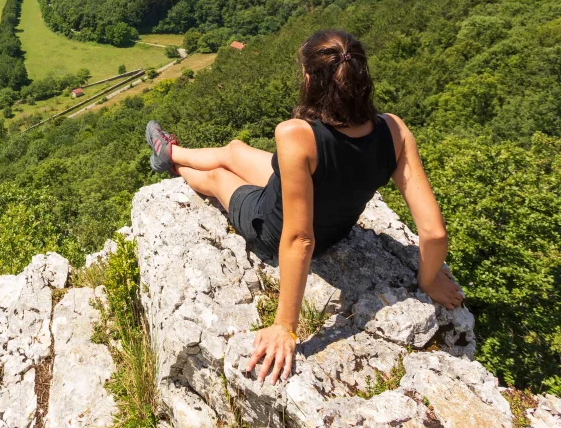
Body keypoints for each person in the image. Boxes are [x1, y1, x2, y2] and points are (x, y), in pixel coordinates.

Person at [146, 28, 464, 386]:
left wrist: (285, 325)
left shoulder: (298, 135)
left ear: (310, 79)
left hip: (273, 229)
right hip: (331, 218)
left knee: (219, 176)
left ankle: (176, 168)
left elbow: (299, 239)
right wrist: (428, 279)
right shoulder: (393, 129)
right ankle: (168, 152)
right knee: (235, 150)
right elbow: (434, 232)